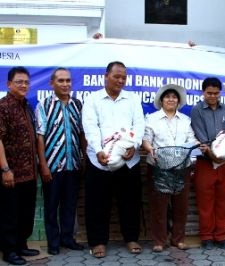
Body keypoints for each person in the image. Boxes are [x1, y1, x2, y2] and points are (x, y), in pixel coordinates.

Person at [82, 61, 145, 258]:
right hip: (99, 160)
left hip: (128, 160)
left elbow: (139, 124)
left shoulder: (132, 99)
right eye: (117, 76)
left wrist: (134, 147)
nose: (120, 80)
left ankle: (131, 238)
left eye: (124, 77)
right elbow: (90, 127)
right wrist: (99, 150)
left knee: (130, 201)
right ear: (106, 76)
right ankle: (98, 241)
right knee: (97, 203)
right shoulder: (93, 100)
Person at [35, 68, 86, 255]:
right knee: (51, 206)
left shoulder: (77, 104)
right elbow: (40, 137)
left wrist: (83, 158)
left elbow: (81, 133)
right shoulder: (44, 105)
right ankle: (53, 243)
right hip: (52, 166)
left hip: (73, 165)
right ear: (52, 83)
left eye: (68, 81)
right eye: (61, 81)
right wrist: (43, 165)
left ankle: (67, 239)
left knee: (69, 204)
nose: (66, 84)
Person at [142, 84, 197, 252]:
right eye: (167, 97)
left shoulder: (186, 120)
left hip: (182, 168)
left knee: (181, 206)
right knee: (159, 206)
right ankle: (159, 240)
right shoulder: (151, 119)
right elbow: (146, 139)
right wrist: (149, 148)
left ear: (179, 101)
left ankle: (178, 239)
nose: (171, 99)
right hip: (159, 167)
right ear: (161, 100)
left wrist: (194, 153)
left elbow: (192, 140)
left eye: (174, 97)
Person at [190, 77, 225, 250]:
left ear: (220, 93)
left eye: (216, 93)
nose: (212, 96)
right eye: (209, 93)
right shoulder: (197, 111)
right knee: (205, 202)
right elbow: (201, 136)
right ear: (203, 92)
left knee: (224, 202)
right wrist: (213, 154)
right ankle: (207, 237)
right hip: (205, 163)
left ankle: (221, 236)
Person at [0, 67, 39, 265]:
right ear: (8, 84)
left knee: (26, 212)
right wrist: (5, 169)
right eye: (19, 82)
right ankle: (9, 251)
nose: (24, 85)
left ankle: (21, 245)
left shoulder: (27, 106)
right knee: (9, 214)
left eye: (26, 82)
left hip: (29, 173)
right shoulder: (3, 106)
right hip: (11, 174)